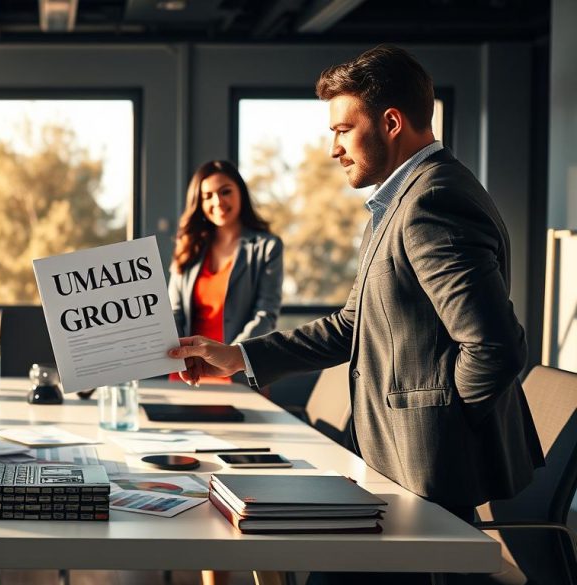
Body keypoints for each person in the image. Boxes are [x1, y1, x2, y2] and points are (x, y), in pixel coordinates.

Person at [169, 45, 543, 584]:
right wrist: (238, 356)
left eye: (343, 130)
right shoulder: (399, 203)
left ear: (391, 122)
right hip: (393, 468)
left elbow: (495, 347)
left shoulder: (432, 203)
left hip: (422, 475)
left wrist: (442, 423)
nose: (333, 149)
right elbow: (351, 326)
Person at [168, 160, 282, 385]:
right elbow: (174, 312)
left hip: (238, 372)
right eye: (207, 196)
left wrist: (233, 357)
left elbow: (265, 315)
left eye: (225, 192)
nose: (218, 201)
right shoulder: (188, 246)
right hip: (188, 373)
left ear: (241, 193)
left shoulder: (267, 247)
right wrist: (183, 358)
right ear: (199, 202)